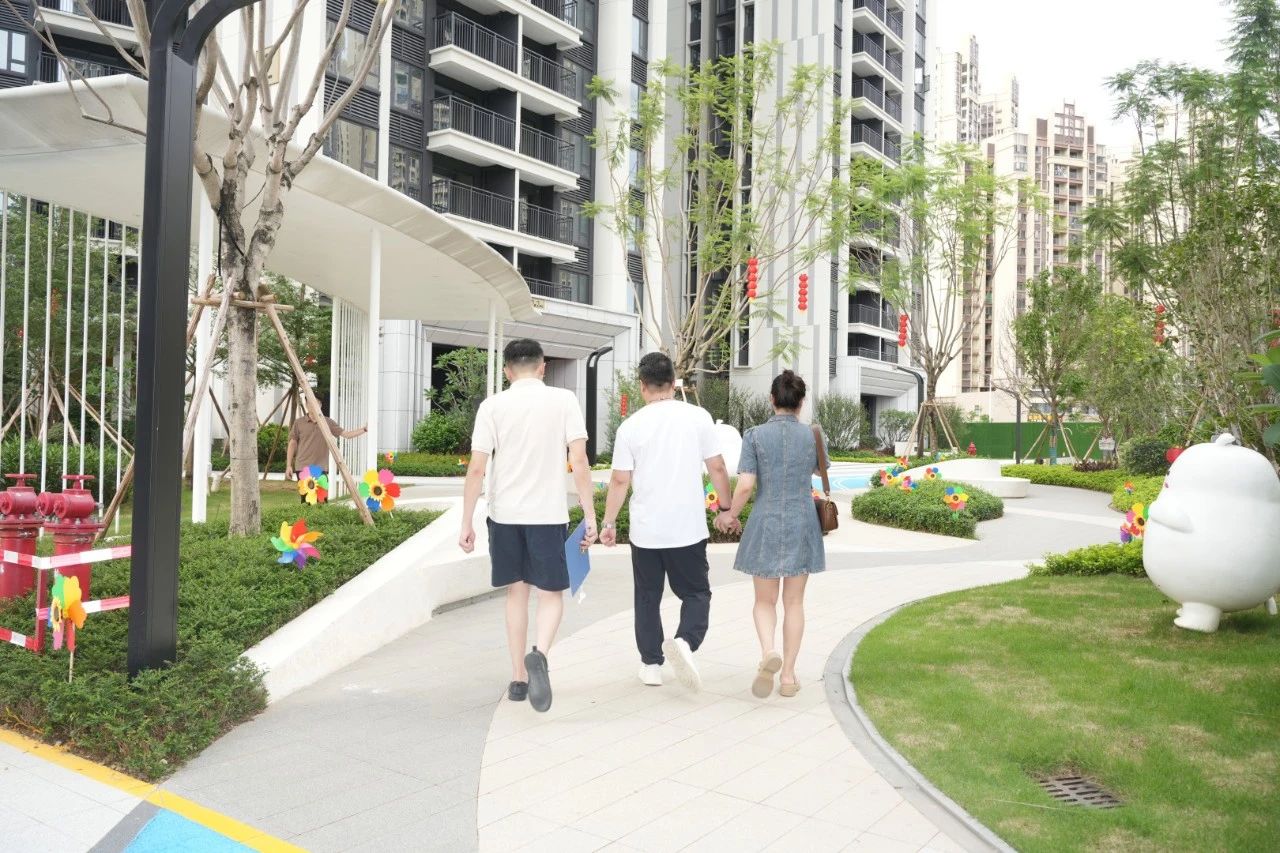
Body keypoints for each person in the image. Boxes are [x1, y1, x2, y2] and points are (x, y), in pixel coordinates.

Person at [459, 339, 597, 713]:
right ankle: (541, 654)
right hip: (548, 515)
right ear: (542, 367)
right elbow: (580, 461)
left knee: (516, 594)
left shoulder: (492, 406)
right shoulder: (564, 400)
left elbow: (477, 468)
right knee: (550, 594)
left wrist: (467, 521)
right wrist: (590, 515)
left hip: (505, 516)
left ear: (507, 371)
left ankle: (519, 679)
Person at [600, 352, 734, 690]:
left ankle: (650, 666)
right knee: (696, 593)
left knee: (647, 597)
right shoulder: (698, 417)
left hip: (646, 531)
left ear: (642, 386)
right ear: (673, 383)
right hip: (687, 529)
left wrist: (609, 523)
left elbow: (620, 480)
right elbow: (717, 467)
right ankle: (685, 641)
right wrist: (725, 508)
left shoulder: (630, 427)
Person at [716, 371, 826, 699]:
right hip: (802, 521)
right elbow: (819, 470)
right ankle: (788, 677)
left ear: (771, 399)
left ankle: (768, 652)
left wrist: (730, 515)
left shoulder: (754, 436)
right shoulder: (814, 435)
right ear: (801, 402)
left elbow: (746, 485)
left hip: (765, 521)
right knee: (794, 602)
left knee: (764, 601)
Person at [284, 402, 367, 502]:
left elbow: (347, 434)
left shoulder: (327, 422)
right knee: (307, 501)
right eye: (310, 403)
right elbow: (292, 443)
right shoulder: (299, 423)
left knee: (322, 501)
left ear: (320, 405)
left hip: (321, 467)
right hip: (303, 467)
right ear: (306, 405)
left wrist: (364, 429)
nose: (312, 405)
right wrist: (289, 465)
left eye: (316, 403)